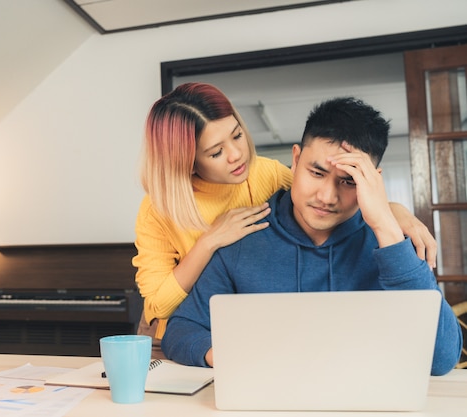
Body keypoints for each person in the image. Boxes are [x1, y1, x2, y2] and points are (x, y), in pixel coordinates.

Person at [160, 97, 463, 376]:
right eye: (316, 173)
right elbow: (182, 329)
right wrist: (228, 356)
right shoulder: (243, 236)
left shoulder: (394, 241)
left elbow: (441, 359)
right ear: (296, 159)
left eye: (349, 181)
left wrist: (385, 225)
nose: (326, 197)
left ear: (373, 181)